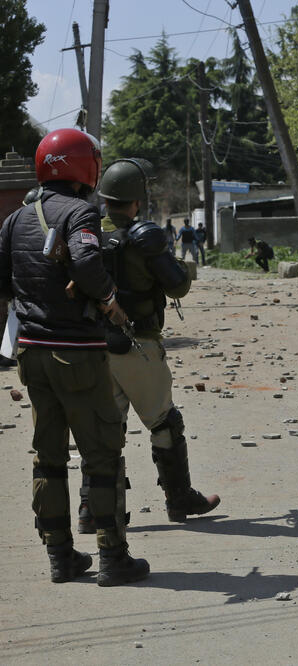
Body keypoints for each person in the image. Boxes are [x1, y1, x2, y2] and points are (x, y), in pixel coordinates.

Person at [0, 128, 148, 585]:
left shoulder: (15, 220)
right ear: (86, 167)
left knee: (48, 455)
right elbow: (86, 263)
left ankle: (61, 557)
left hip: (32, 353)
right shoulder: (80, 212)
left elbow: (4, 282)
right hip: (76, 353)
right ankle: (112, 557)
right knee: (101, 452)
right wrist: (108, 298)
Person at [80, 157, 220, 530]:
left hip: (93, 347)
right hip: (138, 343)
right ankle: (179, 500)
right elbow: (178, 286)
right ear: (137, 200)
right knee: (164, 423)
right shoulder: (144, 236)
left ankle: (92, 510)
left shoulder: (85, 231)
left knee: (103, 432)